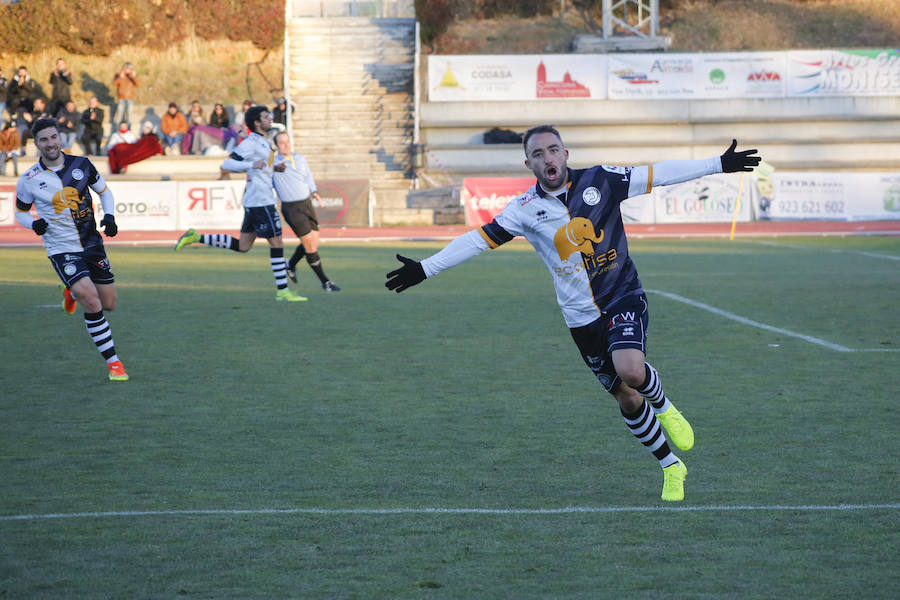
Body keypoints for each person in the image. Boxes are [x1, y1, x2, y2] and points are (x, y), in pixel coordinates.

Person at [385, 125, 761, 502]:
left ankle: (665, 407)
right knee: (627, 398)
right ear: (529, 163)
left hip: (621, 295)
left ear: (566, 154)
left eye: (553, 150)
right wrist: (425, 268)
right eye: (538, 154)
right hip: (581, 320)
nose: (547, 158)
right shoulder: (524, 209)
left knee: (631, 369)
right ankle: (670, 466)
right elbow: (477, 241)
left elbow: (658, 174)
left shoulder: (602, 180)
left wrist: (719, 164)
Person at [14, 118, 128, 381]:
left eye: (53, 137)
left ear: (60, 138)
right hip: (61, 248)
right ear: (37, 144)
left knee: (109, 304)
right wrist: (34, 223)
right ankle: (114, 364)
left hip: (91, 242)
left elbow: (105, 192)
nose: (50, 143)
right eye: (44, 139)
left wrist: (109, 216)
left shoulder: (82, 164)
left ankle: (71, 291)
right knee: (92, 300)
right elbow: (20, 213)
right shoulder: (29, 179)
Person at [173, 106, 306, 302]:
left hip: (256, 200)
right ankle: (283, 291)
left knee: (244, 246)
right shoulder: (252, 143)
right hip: (261, 201)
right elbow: (227, 165)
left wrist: (274, 168)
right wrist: (251, 165)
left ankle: (197, 237)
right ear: (257, 123)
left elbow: (262, 166)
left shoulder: (264, 141)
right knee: (277, 243)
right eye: (265, 117)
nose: (270, 118)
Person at [272, 131, 340, 292]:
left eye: (287, 141)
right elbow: (263, 173)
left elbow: (308, 176)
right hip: (291, 208)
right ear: (276, 146)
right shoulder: (273, 163)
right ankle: (326, 282)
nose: (286, 145)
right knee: (310, 245)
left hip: (306, 203)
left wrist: (314, 191)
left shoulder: (300, 158)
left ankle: (290, 265)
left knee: (312, 242)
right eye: (281, 142)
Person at [112, 62, 138, 126]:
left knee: (129, 115)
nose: (127, 70)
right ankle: (118, 130)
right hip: (121, 98)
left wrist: (133, 76)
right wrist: (120, 77)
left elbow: (137, 84)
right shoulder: (119, 75)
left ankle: (128, 130)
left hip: (130, 98)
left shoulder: (131, 75)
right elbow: (114, 84)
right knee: (119, 115)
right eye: (126, 68)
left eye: (129, 68)